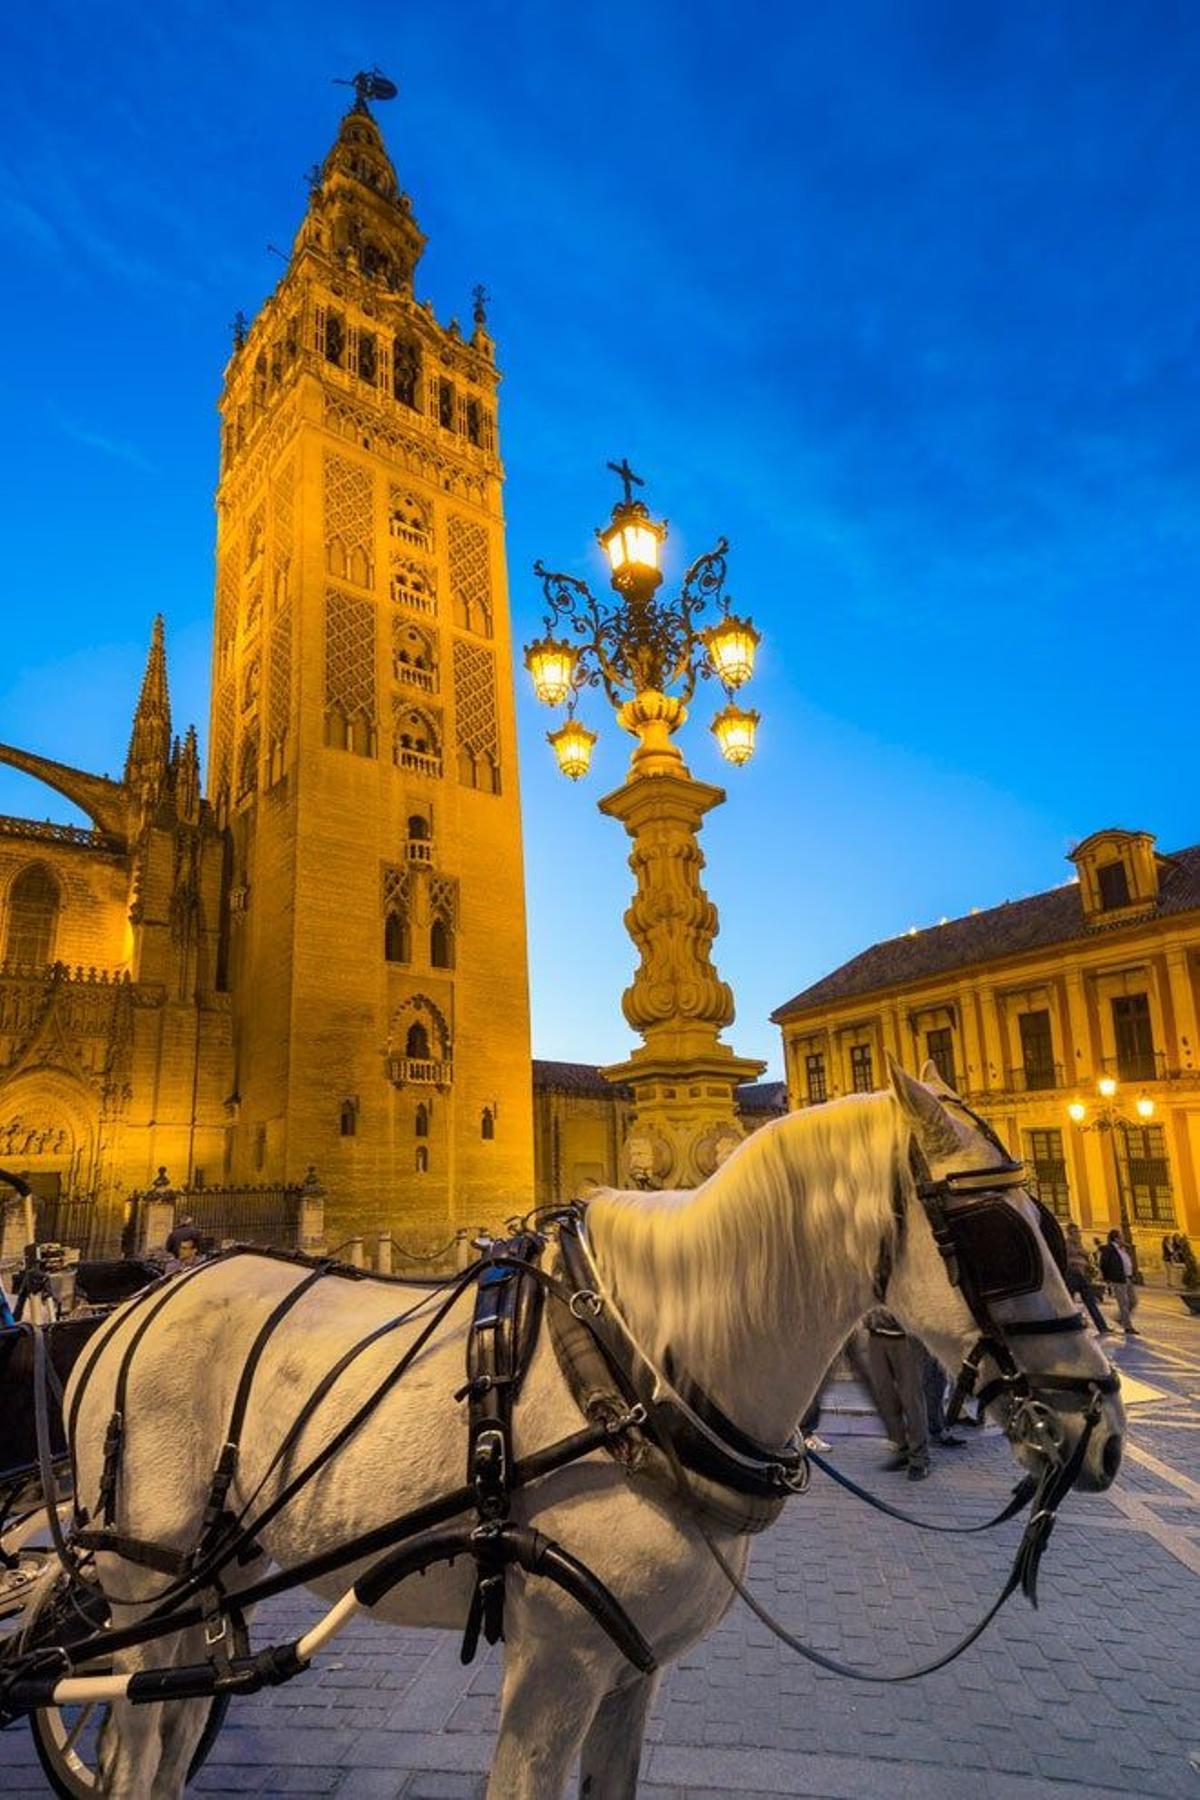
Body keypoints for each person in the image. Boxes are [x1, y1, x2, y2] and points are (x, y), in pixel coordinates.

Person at [861, 1310, 930, 1480]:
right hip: (876, 1334)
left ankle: (920, 1459)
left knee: (911, 1399)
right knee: (885, 1398)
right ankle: (902, 1449)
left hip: (908, 1336)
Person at [1065, 1222, 1110, 1333]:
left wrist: (1082, 1255)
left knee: (1090, 1302)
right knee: (1068, 1302)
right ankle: (1068, 1326)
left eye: (1078, 1231)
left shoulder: (1079, 1243)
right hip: (1072, 1275)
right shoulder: (1067, 1243)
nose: (1078, 1233)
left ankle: (1102, 1327)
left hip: (1082, 1275)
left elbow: (1086, 1255)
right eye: (1075, 1232)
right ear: (1069, 1233)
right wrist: (1080, 1253)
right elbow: (1070, 1257)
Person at [920, 1347, 966, 1447]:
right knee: (933, 1388)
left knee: (938, 1387)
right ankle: (936, 1433)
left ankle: (940, 1430)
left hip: (935, 1349)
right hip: (929, 1347)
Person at [1099, 1229, 1138, 1334]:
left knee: (1133, 1301)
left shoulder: (1123, 1249)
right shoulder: (1109, 1249)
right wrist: (1107, 1278)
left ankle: (1121, 1319)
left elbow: (1127, 1262)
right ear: (1116, 1238)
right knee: (1124, 1303)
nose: (1123, 1239)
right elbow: (1104, 1264)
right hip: (1118, 1279)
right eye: (1121, 1237)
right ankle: (1128, 1326)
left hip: (1128, 1278)